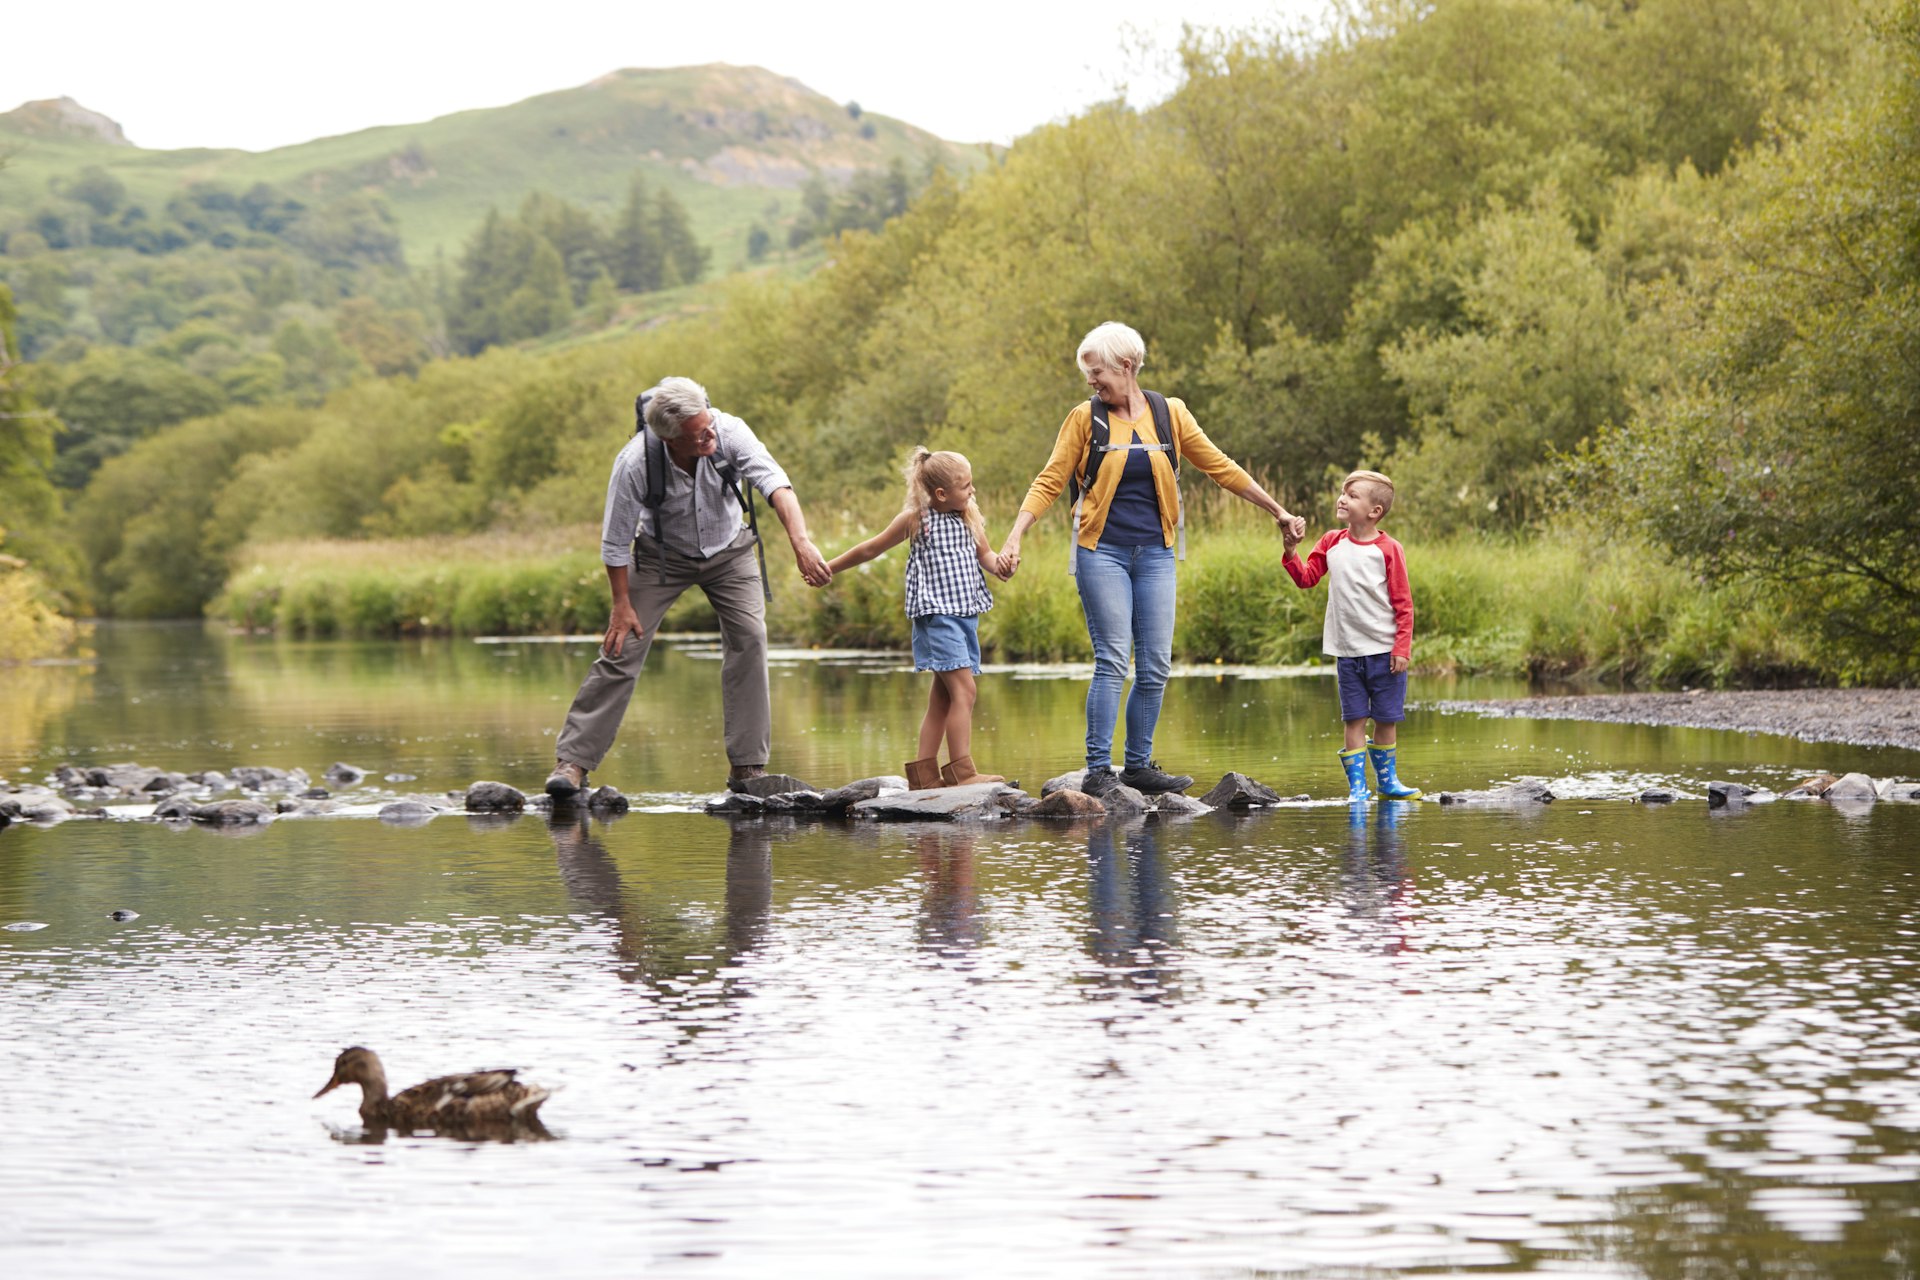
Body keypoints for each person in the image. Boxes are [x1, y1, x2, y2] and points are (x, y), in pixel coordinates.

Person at [999, 321, 1305, 797]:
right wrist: (1017, 533)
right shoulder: (1085, 418)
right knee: (1113, 659)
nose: (1091, 382)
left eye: (1096, 371)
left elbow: (1220, 467)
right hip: (1101, 552)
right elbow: (1051, 479)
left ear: (1126, 365)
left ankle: (1138, 766)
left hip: (1157, 554)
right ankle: (1099, 770)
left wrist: (1278, 511)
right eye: (1088, 374)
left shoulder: (1169, 413)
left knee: (1157, 663)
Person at [544, 376, 832, 798]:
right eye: (699, 433)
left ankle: (748, 768)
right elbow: (614, 541)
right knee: (622, 647)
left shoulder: (729, 430)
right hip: (661, 559)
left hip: (730, 552)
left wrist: (801, 542)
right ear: (669, 439)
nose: (709, 433)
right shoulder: (634, 463)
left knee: (750, 640)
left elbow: (777, 486)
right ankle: (572, 763)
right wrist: (621, 604)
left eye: (708, 422)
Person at [825, 448, 1008, 790]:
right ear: (942, 494)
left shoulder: (969, 516)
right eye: (966, 486)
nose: (972, 492)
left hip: (965, 616)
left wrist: (1002, 566)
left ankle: (924, 776)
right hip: (937, 617)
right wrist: (829, 567)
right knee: (965, 692)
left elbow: (986, 555)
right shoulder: (916, 520)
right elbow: (871, 548)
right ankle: (961, 772)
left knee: (943, 697)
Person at [1280, 469, 1422, 802]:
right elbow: (1306, 578)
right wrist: (1290, 552)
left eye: (1353, 495)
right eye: (1343, 492)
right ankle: (1358, 788)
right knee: (1354, 718)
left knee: (1386, 719)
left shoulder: (1389, 549)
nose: (1342, 498)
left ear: (1375, 511)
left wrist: (1402, 648)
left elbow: (1404, 603)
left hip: (1385, 652)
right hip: (1347, 653)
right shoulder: (1331, 542)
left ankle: (1388, 782)